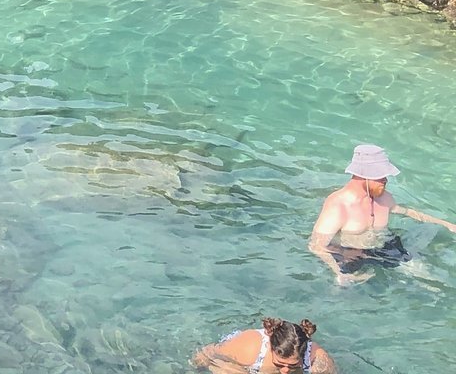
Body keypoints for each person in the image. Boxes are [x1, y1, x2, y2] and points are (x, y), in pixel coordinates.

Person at [308, 143, 456, 284]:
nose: (385, 180)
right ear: (363, 176)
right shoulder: (338, 205)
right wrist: (338, 273)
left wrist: (447, 224)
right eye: (380, 176)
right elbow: (316, 245)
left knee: (428, 278)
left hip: (384, 247)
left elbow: (407, 212)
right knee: (345, 289)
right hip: (349, 253)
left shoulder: (384, 198)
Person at [192, 317, 336, 373]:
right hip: (242, 364)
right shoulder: (247, 348)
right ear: (271, 347)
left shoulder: (317, 359)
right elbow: (207, 353)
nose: (285, 371)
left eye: (293, 366)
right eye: (280, 364)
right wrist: (193, 368)